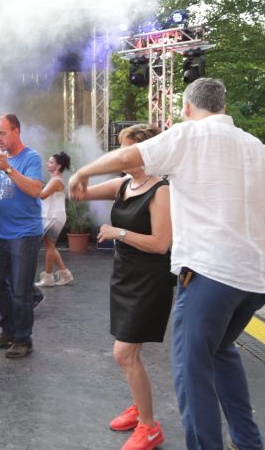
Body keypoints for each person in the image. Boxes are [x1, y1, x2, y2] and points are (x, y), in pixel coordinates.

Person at [69, 78, 265, 450]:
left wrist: (81, 171)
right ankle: (248, 442)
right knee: (220, 352)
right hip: (253, 285)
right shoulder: (258, 149)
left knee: (192, 373)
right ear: (223, 105)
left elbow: (125, 158)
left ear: (187, 108)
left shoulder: (188, 136)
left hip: (210, 276)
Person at [73, 125, 173, 450]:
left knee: (124, 352)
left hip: (149, 278)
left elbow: (161, 244)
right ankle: (139, 404)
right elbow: (83, 193)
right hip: (125, 275)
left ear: (142, 152)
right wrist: (76, 181)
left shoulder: (160, 190)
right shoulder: (127, 183)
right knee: (130, 354)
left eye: (124, 149)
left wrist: (119, 233)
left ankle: (149, 426)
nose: (119, 155)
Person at [0, 113, 45, 359]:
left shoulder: (31, 158)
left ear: (16, 131)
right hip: (2, 232)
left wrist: (8, 169)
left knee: (21, 289)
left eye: (3, 133)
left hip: (25, 234)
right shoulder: (0, 159)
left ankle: (23, 339)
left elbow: (35, 189)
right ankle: (8, 330)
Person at [36, 151, 74, 287]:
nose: (48, 163)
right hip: (52, 215)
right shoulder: (54, 179)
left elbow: (41, 195)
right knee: (49, 246)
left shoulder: (56, 180)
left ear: (58, 167)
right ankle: (65, 274)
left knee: (50, 247)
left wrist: (30, 186)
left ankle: (48, 277)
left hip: (54, 216)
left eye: (51, 162)